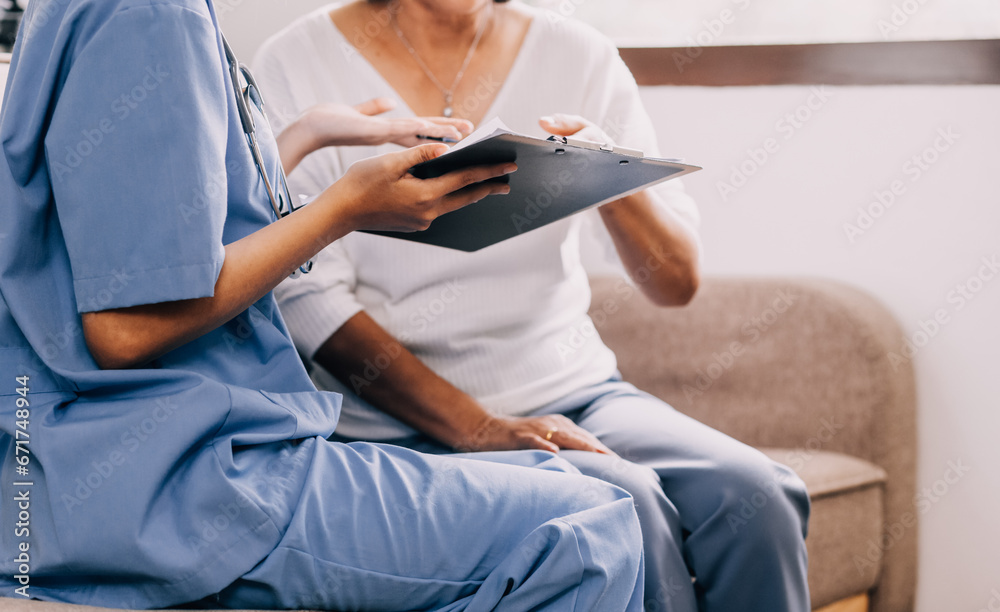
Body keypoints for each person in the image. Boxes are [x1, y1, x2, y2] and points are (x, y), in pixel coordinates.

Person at [0, 0, 650, 609]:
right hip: (172, 484)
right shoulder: (150, 13)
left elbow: (157, 243)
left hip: (83, 474)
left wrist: (305, 135)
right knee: (588, 520)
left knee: (576, 489)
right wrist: (343, 209)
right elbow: (124, 327)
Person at [254, 1, 812, 610]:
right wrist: (479, 429)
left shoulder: (579, 53)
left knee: (758, 493)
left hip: (577, 389)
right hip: (396, 422)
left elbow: (675, 282)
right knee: (628, 502)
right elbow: (307, 298)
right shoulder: (295, 60)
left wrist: (609, 179)